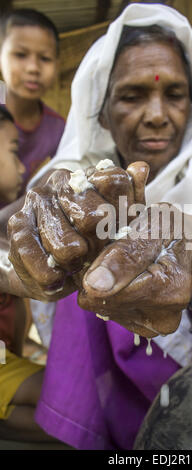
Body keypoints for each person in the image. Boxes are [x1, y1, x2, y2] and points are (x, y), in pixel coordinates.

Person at [5, 4, 192, 449]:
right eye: (133, 96)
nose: (157, 114)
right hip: (102, 375)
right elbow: (11, 228)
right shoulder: (80, 172)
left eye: (173, 94)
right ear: (101, 110)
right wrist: (37, 235)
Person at [0, 8, 65, 355]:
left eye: (45, 58)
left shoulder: (59, 130)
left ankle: (17, 352)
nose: (33, 67)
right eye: (20, 55)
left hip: (25, 243)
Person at [0, 106, 57, 443]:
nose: (23, 167)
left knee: (69, 410)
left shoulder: (8, 223)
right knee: (73, 410)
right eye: (12, 152)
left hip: (6, 360)